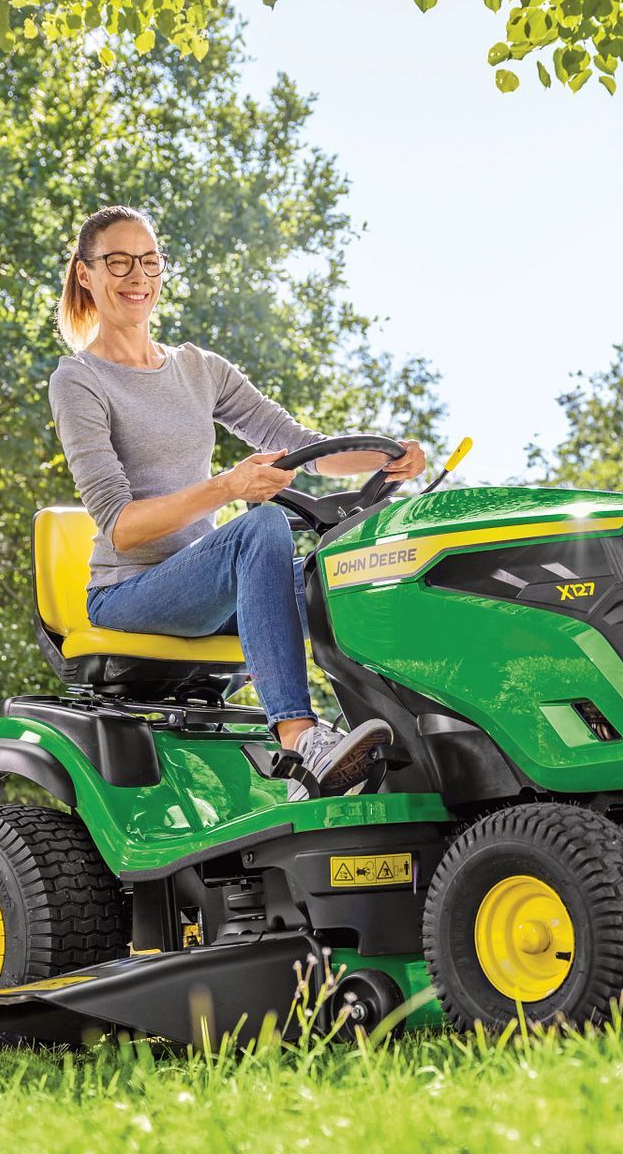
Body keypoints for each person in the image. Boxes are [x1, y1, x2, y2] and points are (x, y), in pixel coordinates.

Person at [47, 205, 426, 799]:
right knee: (262, 526)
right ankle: (299, 739)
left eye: (149, 261)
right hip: (130, 593)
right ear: (86, 274)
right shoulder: (79, 380)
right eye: (117, 262)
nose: (136, 276)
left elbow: (302, 447)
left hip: (210, 590)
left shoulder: (200, 370)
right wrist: (227, 487)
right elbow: (119, 528)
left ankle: (414, 745)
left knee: (356, 581)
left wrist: (387, 456)